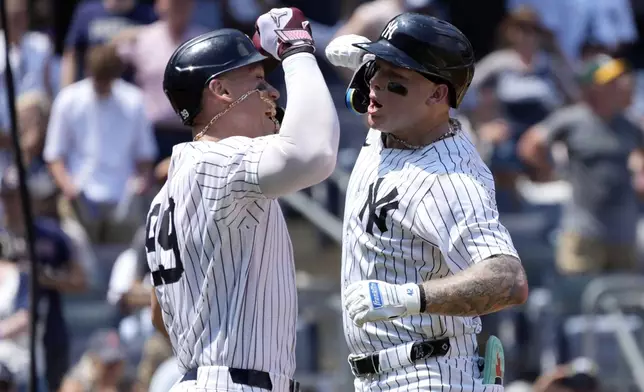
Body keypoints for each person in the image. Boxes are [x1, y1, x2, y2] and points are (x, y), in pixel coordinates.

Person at [325, 13, 529, 391]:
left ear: (438, 95)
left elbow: (508, 281)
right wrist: (358, 59)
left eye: (394, 80)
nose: (376, 88)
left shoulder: (451, 180)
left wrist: (410, 297)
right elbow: (382, 83)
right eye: (375, 70)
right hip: (376, 377)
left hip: (429, 374)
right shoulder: (395, 120)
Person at [145, 7, 339, 392]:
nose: (273, 91)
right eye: (257, 79)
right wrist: (298, 50)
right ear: (221, 90)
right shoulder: (216, 161)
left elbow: (158, 314)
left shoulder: (168, 193)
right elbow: (314, 154)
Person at [518, 54, 644, 275]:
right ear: (592, 87)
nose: (618, 86)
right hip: (583, 231)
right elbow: (531, 144)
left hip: (623, 233)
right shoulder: (573, 119)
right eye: (610, 82)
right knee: (581, 297)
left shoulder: (627, 124)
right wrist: (549, 171)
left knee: (623, 297)